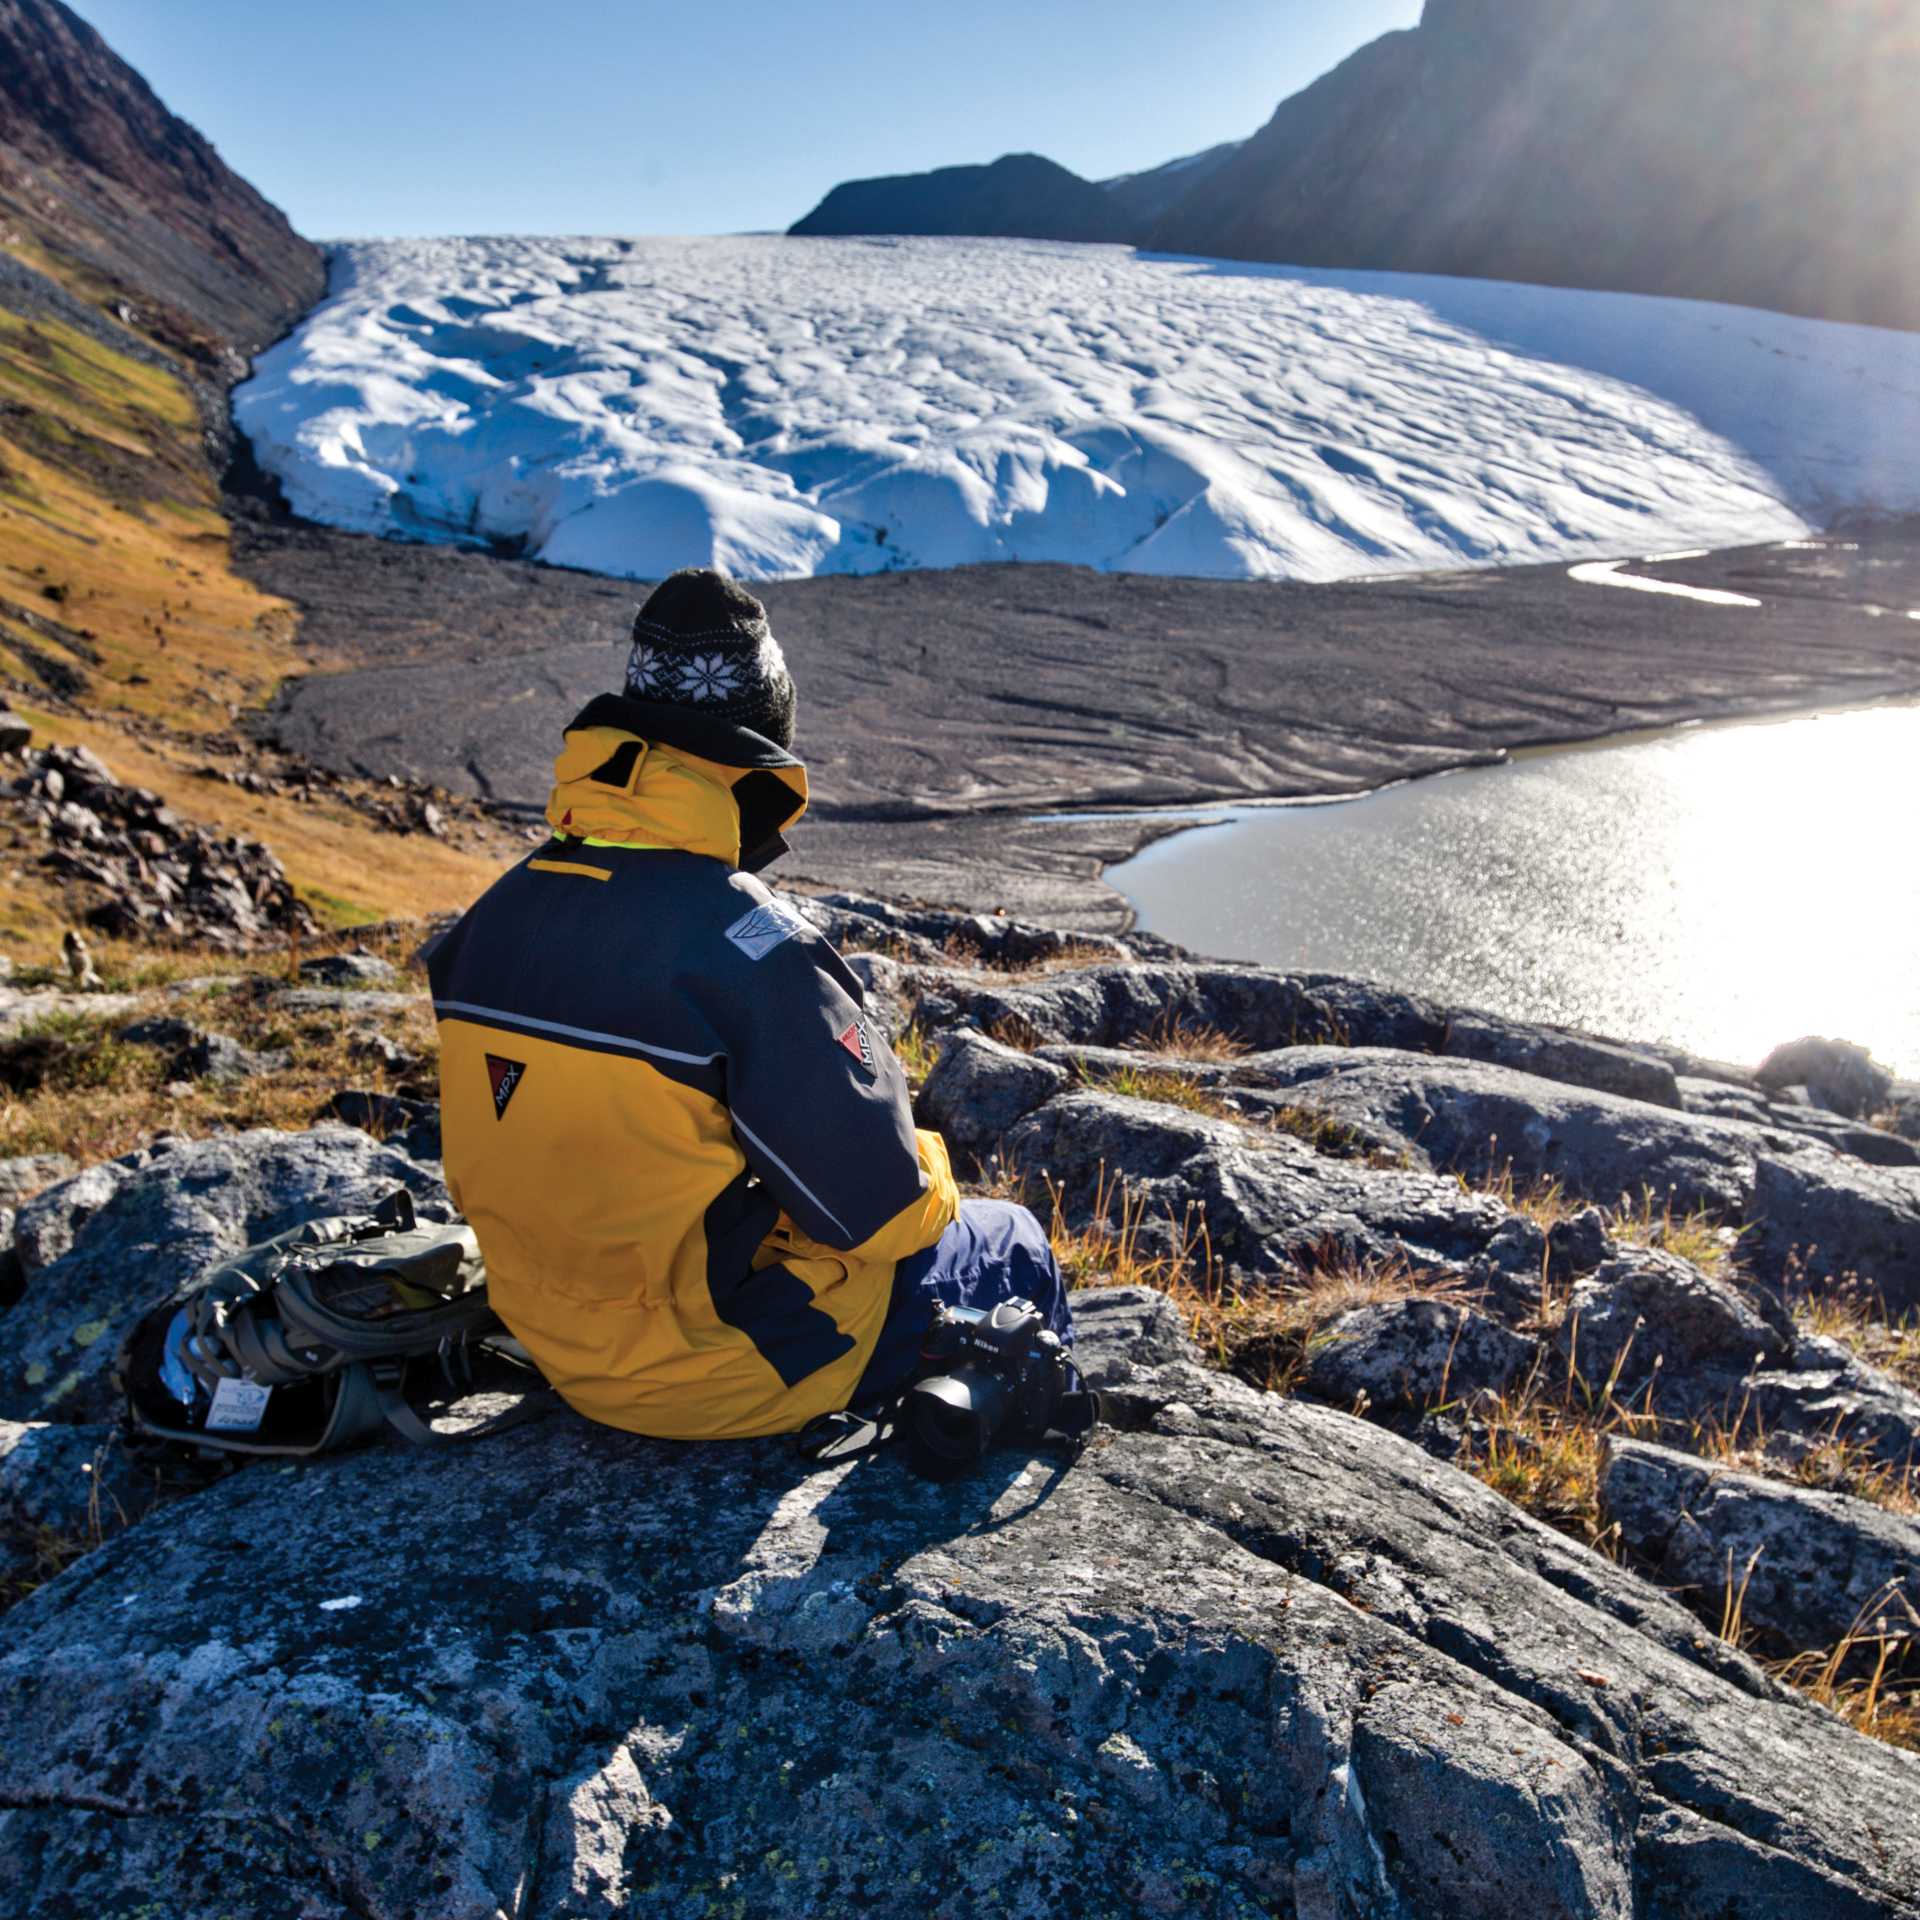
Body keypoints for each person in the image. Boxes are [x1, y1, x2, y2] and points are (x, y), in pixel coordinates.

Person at [427, 567, 1074, 1440]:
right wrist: (929, 1155)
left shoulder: (497, 913)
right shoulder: (749, 946)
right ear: (762, 745)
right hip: (717, 1371)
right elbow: (884, 1214)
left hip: (555, 1346)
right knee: (1013, 1240)